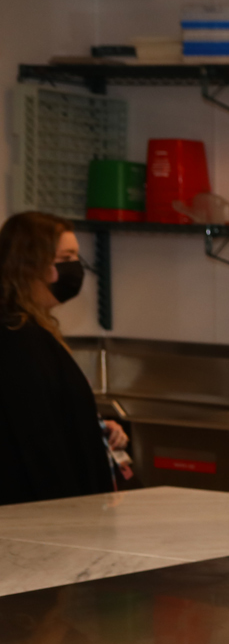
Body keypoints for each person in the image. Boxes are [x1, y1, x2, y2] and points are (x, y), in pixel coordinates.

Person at [0, 211, 128, 505]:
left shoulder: (32, 331)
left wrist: (93, 427)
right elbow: (36, 442)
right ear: (32, 263)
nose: (76, 268)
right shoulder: (19, 339)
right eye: (66, 256)